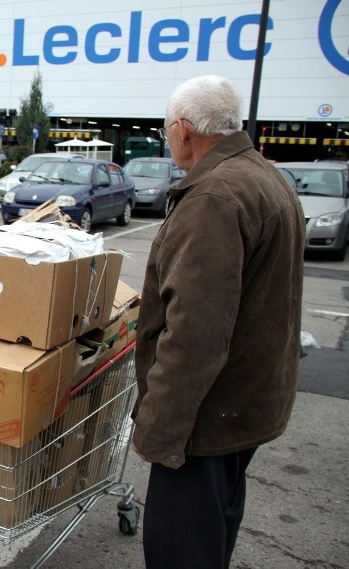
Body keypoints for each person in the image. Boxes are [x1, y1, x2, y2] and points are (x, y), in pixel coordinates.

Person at [133, 75, 305, 569]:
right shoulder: (263, 177)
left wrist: (159, 431)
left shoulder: (214, 196)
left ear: (184, 130)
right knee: (214, 531)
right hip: (244, 404)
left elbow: (195, 335)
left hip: (203, 419)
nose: (168, 139)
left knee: (181, 547)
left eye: (167, 130)